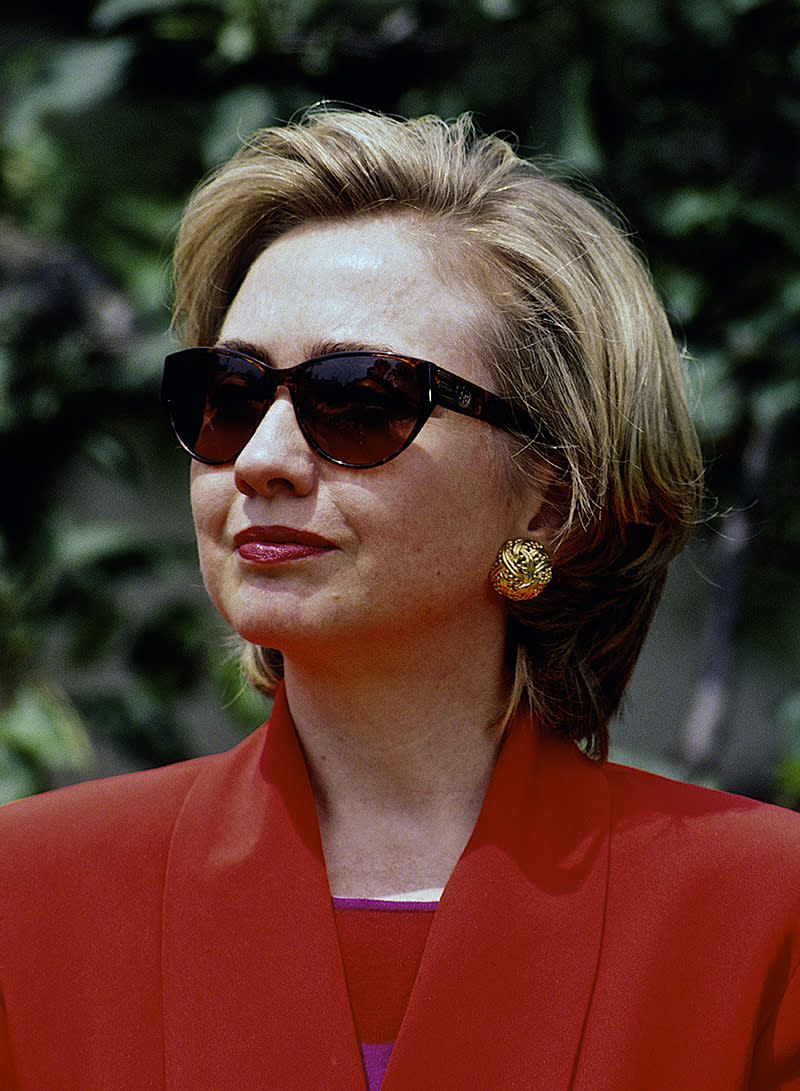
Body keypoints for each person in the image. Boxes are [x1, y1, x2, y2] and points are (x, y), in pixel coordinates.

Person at [1, 108, 798, 1091]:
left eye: (360, 399)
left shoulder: (764, 915)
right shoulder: (28, 899)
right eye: (231, 393)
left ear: (548, 498)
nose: (261, 459)